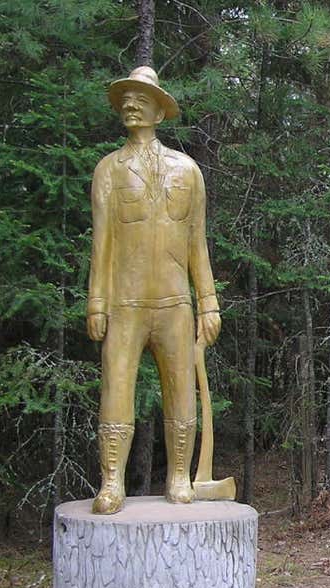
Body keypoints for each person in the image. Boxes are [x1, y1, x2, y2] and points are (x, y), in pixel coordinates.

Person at [86, 66, 222, 514]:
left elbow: (196, 243)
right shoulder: (108, 170)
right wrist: (97, 301)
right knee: (116, 387)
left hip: (174, 302)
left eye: (141, 99)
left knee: (180, 388)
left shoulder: (188, 171)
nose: (130, 104)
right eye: (126, 98)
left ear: (160, 111)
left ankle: (179, 475)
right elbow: (101, 242)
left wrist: (208, 302)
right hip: (124, 302)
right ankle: (111, 482)